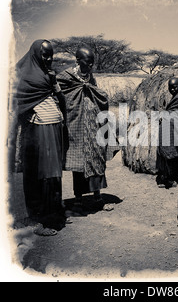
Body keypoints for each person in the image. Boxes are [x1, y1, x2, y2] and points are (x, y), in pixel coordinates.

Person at [15, 39, 69, 236]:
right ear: (35, 55)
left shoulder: (49, 76)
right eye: (45, 54)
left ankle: (54, 213)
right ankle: (43, 220)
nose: (49, 58)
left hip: (54, 129)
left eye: (51, 54)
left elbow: (61, 101)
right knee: (43, 176)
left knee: (54, 175)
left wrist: (54, 82)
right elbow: (17, 105)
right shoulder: (25, 76)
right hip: (38, 132)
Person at [57, 45, 113, 212]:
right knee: (79, 162)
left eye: (92, 63)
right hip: (77, 124)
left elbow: (95, 94)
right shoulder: (67, 76)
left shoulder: (90, 76)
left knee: (96, 158)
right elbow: (59, 92)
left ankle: (97, 196)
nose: (90, 66)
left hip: (93, 124)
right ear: (78, 61)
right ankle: (78, 199)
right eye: (87, 62)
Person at [156, 77, 178, 189]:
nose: (173, 89)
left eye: (175, 87)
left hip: (176, 130)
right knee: (166, 150)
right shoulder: (175, 98)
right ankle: (167, 177)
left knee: (171, 152)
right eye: (171, 87)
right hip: (170, 129)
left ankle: (171, 179)